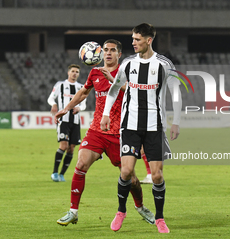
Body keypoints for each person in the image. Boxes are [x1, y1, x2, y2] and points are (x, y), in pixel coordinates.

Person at [55, 39, 155, 226]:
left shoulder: (128, 73)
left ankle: (140, 207)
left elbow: (139, 94)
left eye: (112, 50)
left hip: (121, 134)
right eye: (106, 50)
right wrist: (67, 108)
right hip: (97, 131)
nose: (108, 53)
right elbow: (84, 92)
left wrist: (115, 82)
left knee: (131, 178)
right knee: (81, 162)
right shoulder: (95, 72)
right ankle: (73, 211)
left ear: (119, 54)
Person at [100, 23, 182, 233]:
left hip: (155, 126)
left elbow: (176, 94)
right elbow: (114, 89)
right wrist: (106, 114)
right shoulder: (127, 63)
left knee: (156, 176)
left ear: (148, 40)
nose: (133, 42)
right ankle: (121, 211)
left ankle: (160, 218)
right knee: (126, 171)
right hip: (130, 126)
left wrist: (177, 121)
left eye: (137, 39)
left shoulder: (164, 64)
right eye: (133, 39)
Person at [47, 64, 86, 182]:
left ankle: (62, 174)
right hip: (63, 120)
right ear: (68, 73)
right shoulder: (61, 85)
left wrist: (79, 108)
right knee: (63, 146)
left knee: (71, 148)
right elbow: (51, 98)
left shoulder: (81, 87)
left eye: (77, 72)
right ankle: (54, 172)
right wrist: (53, 104)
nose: (75, 73)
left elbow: (84, 103)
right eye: (73, 71)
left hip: (75, 121)